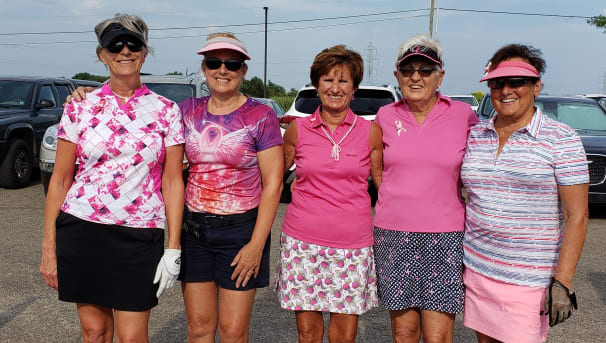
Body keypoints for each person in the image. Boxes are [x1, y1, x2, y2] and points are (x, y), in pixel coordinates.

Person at [39, 13, 185, 342]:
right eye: (114, 44)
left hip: (139, 235)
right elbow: (60, 179)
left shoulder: (166, 110)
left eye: (133, 43)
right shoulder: (79, 107)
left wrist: (173, 248)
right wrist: (49, 247)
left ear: (145, 51)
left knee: (132, 336)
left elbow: (173, 181)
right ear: (101, 54)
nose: (124, 50)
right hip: (81, 229)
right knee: (94, 332)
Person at [461, 44, 589, 343]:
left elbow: (577, 216)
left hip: (529, 281)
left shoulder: (561, 138)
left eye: (517, 81)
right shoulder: (476, 134)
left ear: (536, 86)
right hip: (479, 269)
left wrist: (562, 282)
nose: (506, 90)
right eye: (497, 82)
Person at [372, 34, 479, 343]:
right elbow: (376, 167)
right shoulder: (385, 116)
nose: (415, 77)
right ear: (397, 76)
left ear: (440, 76)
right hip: (393, 235)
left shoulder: (463, 116)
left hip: (445, 236)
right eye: (407, 70)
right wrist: (396, 196)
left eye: (425, 70)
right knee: (404, 332)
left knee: (438, 335)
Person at [178, 32, 283, 342]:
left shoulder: (261, 116)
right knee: (198, 329)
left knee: (234, 332)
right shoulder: (186, 110)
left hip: (240, 232)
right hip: (194, 230)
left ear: (243, 71)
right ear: (204, 68)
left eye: (232, 64)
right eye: (214, 63)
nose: (222, 70)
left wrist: (255, 246)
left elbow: (274, 184)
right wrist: (91, 94)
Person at [275, 44, 383, 343]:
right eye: (327, 80)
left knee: (343, 336)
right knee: (308, 334)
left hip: (352, 245)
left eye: (343, 80)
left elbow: (384, 184)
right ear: (317, 84)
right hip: (302, 244)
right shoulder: (298, 130)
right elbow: (274, 180)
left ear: (354, 88)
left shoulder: (370, 132)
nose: (335, 88)